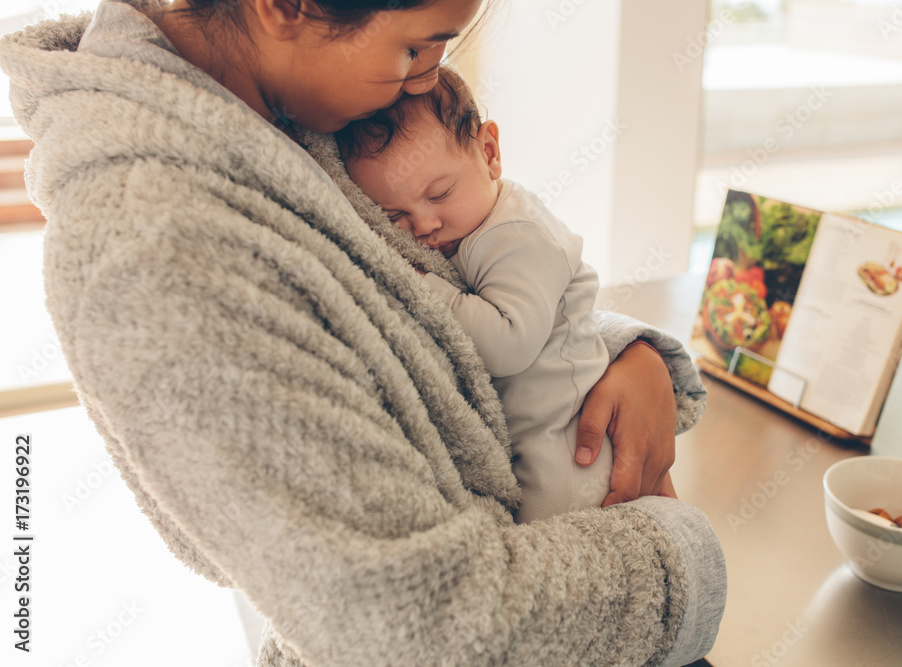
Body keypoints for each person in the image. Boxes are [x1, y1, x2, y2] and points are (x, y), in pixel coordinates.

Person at [0, 0, 725, 665]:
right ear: (285, 7)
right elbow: (417, 625)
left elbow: (405, 328)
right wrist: (681, 556)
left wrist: (620, 352)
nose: (427, 79)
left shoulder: (274, 117)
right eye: (416, 47)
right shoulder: (160, 253)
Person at [336, 65, 677, 524]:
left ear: (490, 153)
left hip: (571, 442)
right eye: (393, 215)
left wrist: (422, 283)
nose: (423, 226)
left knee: (551, 530)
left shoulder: (518, 234)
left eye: (440, 193)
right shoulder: (467, 228)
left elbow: (509, 344)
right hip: (534, 433)